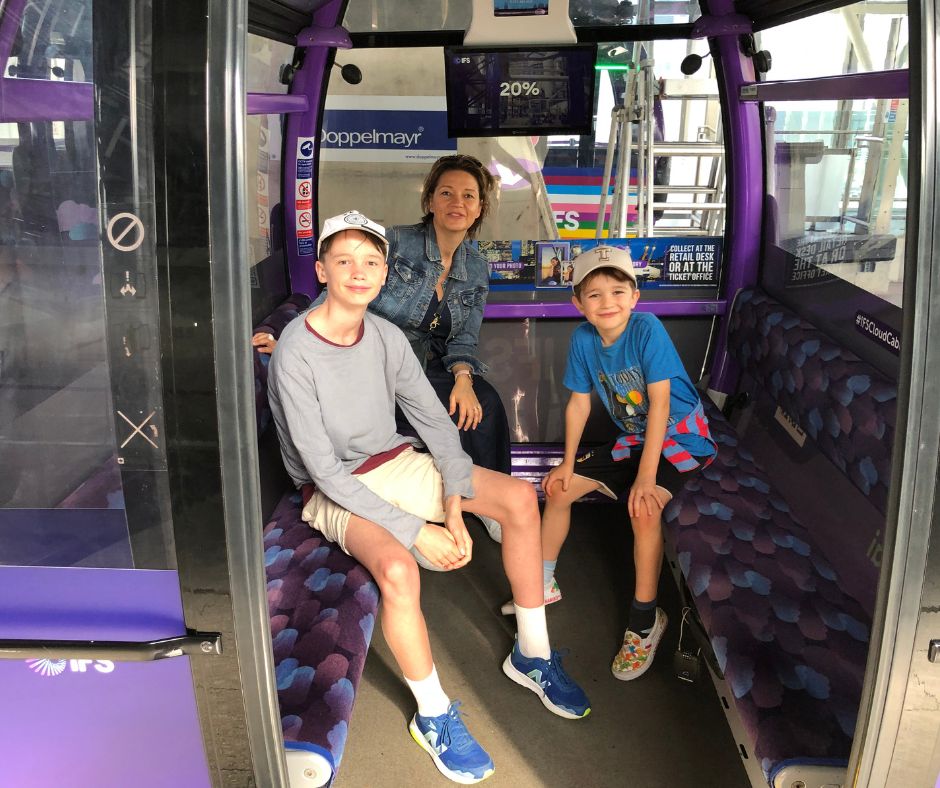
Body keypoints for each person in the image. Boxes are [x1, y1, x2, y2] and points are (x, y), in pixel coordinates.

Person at [267, 211, 591, 785]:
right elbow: (321, 469)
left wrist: (455, 503)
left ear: (385, 271)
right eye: (344, 261)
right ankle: (434, 714)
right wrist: (418, 531)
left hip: (391, 459)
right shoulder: (296, 350)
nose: (359, 272)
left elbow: (434, 422)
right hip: (331, 486)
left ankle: (533, 654)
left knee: (518, 499)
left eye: (371, 262)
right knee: (397, 568)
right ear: (321, 269)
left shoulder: (386, 336)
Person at [503, 245, 717, 682]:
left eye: (618, 292)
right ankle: (544, 582)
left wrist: (646, 477)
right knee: (558, 489)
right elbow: (579, 404)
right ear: (578, 303)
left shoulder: (646, 329)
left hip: (682, 438)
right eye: (594, 295)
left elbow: (659, 405)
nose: (607, 303)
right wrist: (566, 463)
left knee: (643, 507)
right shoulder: (584, 339)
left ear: (635, 297)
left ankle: (644, 622)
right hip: (636, 439)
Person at [369, 154, 511, 479]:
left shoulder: (476, 267)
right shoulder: (396, 241)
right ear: (431, 200)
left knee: (484, 403)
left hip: (429, 365)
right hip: (382, 362)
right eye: (446, 193)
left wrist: (463, 379)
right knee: (446, 412)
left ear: (479, 209)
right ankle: (455, 492)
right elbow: (346, 285)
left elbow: (464, 338)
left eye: (468, 196)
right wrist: (301, 333)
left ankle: (493, 496)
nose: (456, 203)